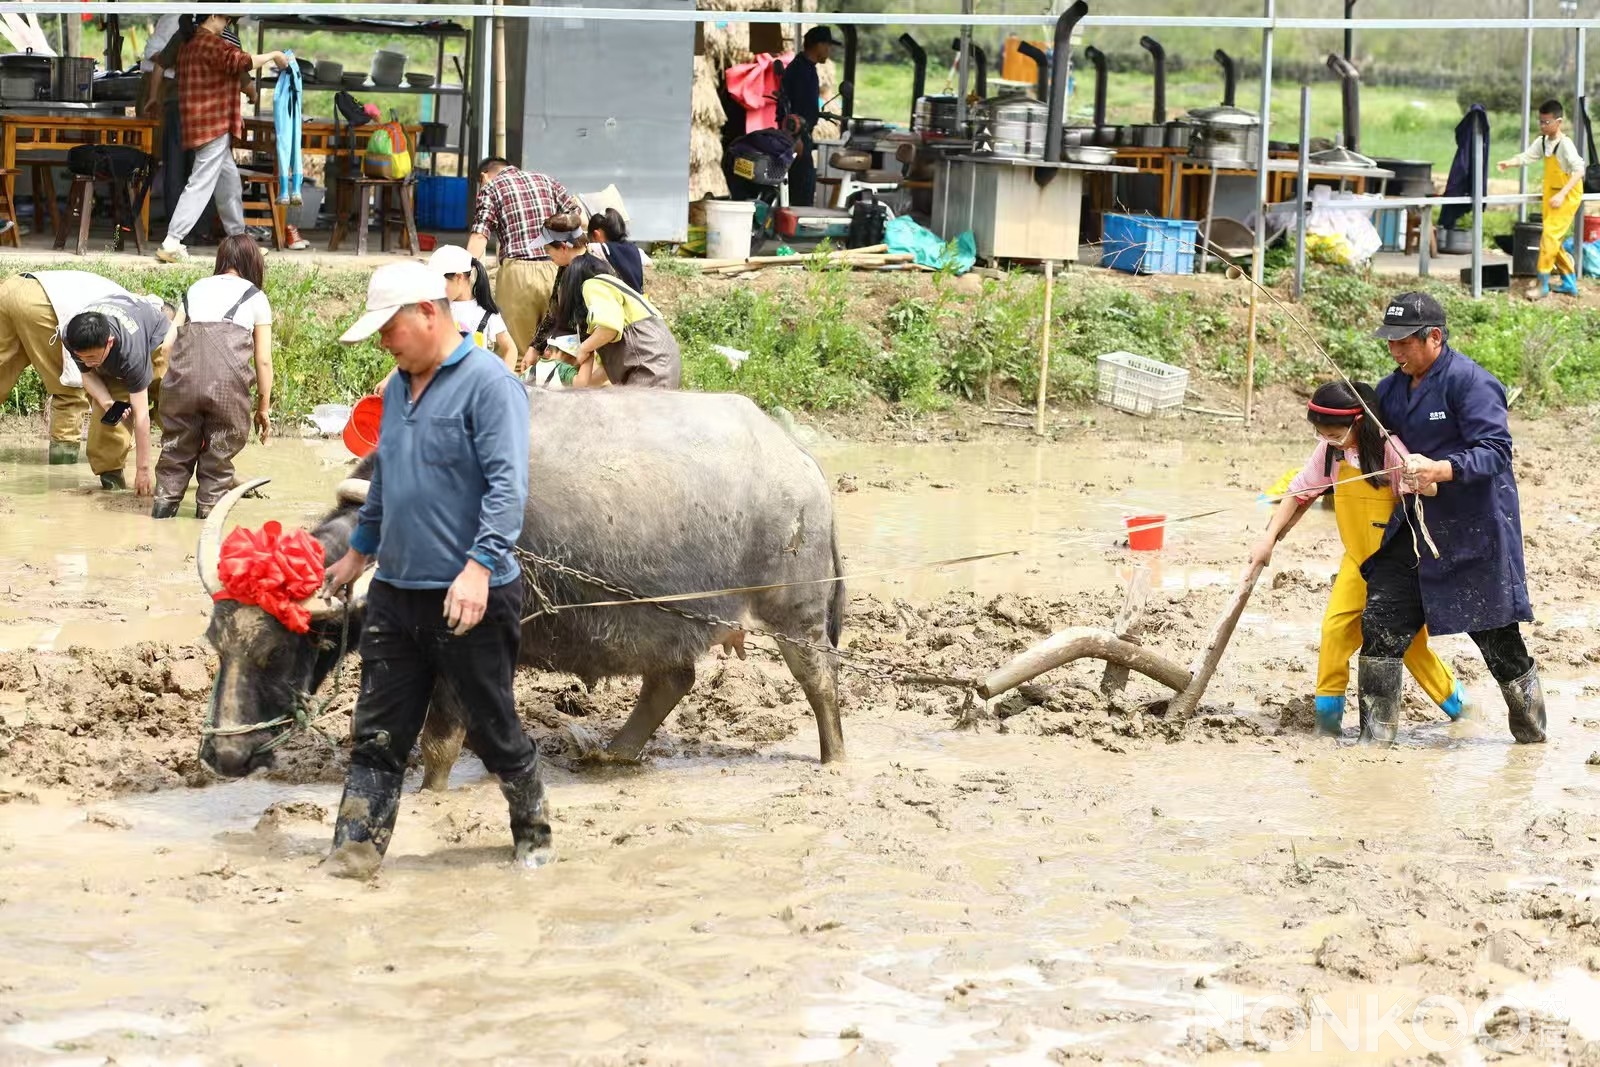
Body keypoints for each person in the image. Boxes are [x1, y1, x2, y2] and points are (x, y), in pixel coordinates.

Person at [323, 261, 549, 879]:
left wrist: (478, 570)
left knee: (494, 730)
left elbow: (508, 489)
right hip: (396, 593)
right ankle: (353, 853)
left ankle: (533, 828)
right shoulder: (396, 389)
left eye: (389, 327)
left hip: (469, 596)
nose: (383, 341)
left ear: (428, 312)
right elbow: (387, 481)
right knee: (377, 731)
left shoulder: (490, 384)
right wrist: (358, 551)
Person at [1359, 292, 1544, 746]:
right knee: (1380, 624)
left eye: (1404, 342)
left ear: (1434, 337)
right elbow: (1367, 443)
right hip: (1415, 527)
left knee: (1498, 641)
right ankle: (1373, 740)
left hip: (1473, 527)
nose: (1395, 351)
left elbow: (1496, 452)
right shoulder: (1390, 389)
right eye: (1390, 342)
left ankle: (1531, 730)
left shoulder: (1472, 383)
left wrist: (1441, 469)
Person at [1250, 380, 1464, 737]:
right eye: (1321, 433)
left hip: (1397, 564)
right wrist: (1267, 539)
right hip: (1356, 561)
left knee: (1410, 646)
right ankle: (1327, 724)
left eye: (1334, 434)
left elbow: (1431, 489)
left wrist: (1420, 475)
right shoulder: (1328, 452)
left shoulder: (1390, 450)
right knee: (1334, 632)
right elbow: (1299, 493)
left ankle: (1461, 709)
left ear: (1359, 423)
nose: (1328, 440)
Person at [151, 234, 273, 520]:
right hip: (228, 388)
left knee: (175, 449)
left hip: (181, 384)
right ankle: (206, 517)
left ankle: (162, 509)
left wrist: (169, 389)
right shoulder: (255, 296)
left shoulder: (195, 289)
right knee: (218, 453)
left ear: (221, 261)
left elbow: (167, 346)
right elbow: (263, 360)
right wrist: (264, 408)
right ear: (253, 263)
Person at [155, 11, 289, 264]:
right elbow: (242, 62)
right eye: (226, 20)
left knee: (229, 186)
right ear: (214, 15)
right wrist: (274, 55)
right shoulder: (210, 43)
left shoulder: (190, 43)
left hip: (201, 122)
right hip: (213, 123)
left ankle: (242, 245)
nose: (228, 25)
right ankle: (172, 240)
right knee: (201, 183)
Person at [0, 269, 141, 469]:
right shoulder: (133, 321)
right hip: (42, 304)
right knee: (70, 390)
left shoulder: (125, 300)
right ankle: (62, 469)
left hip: (10, 289)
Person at [545, 216, 682, 389]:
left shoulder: (592, 285)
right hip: (662, 359)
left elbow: (610, 328)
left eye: (549, 252)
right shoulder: (609, 283)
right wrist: (582, 386)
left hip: (650, 364)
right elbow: (612, 366)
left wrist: (584, 348)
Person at [62, 295, 178, 496]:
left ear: (109, 342)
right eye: (82, 357)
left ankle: (211, 468)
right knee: (106, 422)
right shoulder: (72, 336)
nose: (87, 362)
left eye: (91, 357)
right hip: (114, 355)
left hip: (155, 344)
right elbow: (87, 374)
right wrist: (108, 402)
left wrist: (143, 470)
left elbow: (142, 415)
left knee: (175, 410)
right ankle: (112, 483)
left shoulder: (131, 352)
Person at [466, 157, 581, 358]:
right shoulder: (547, 181)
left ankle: (519, 388)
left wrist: (463, 271)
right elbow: (579, 218)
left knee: (517, 353)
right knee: (559, 350)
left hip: (518, 277)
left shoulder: (491, 188)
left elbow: (479, 235)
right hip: (557, 269)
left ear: (484, 176)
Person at [1497, 99, 1584, 301]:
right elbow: (1528, 156)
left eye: (1546, 122)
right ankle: (1569, 284)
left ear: (1558, 122)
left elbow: (1579, 170)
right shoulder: (1543, 141)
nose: (1542, 126)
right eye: (1540, 122)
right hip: (1551, 195)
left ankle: (1542, 284)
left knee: (1548, 239)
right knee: (1554, 241)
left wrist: (1562, 194)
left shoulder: (1566, 144)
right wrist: (1509, 163)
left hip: (1566, 196)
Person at [778, 26, 841, 209]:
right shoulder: (802, 71)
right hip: (797, 135)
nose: (828, 52)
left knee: (801, 183)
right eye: (827, 47)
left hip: (799, 134)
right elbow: (792, 108)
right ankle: (798, 228)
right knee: (803, 185)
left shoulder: (804, 67)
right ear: (818, 45)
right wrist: (796, 138)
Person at [429, 244, 517, 368]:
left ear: (459, 277)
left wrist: (503, 380)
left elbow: (510, 349)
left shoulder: (486, 313)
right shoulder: (437, 309)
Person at [587, 208, 647, 293]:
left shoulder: (602, 249)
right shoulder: (634, 248)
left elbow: (589, 248)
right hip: (637, 300)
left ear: (597, 234)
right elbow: (648, 261)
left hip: (620, 301)